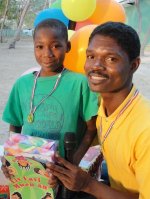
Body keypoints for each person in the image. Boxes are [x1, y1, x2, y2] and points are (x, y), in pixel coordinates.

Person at [47, 22, 150, 199]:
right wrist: (62, 172)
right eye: (91, 56)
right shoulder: (103, 104)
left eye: (111, 59)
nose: (95, 66)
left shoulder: (144, 130)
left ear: (133, 65)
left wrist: (87, 184)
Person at [2, 19, 98, 163]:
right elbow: (14, 125)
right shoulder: (22, 84)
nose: (47, 53)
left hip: (65, 168)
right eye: (40, 47)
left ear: (68, 46)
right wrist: (10, 157)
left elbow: (92, 128)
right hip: (28, 167)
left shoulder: (80, 83)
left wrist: (75, 160)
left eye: (55, 46)